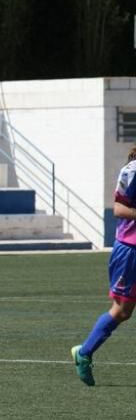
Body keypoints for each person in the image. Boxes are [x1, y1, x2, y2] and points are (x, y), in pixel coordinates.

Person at [72, 146, 136, 387]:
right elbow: (118, 209)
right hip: (131, 250)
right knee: (122, 310)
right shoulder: (132, 171)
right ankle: (85, 352)